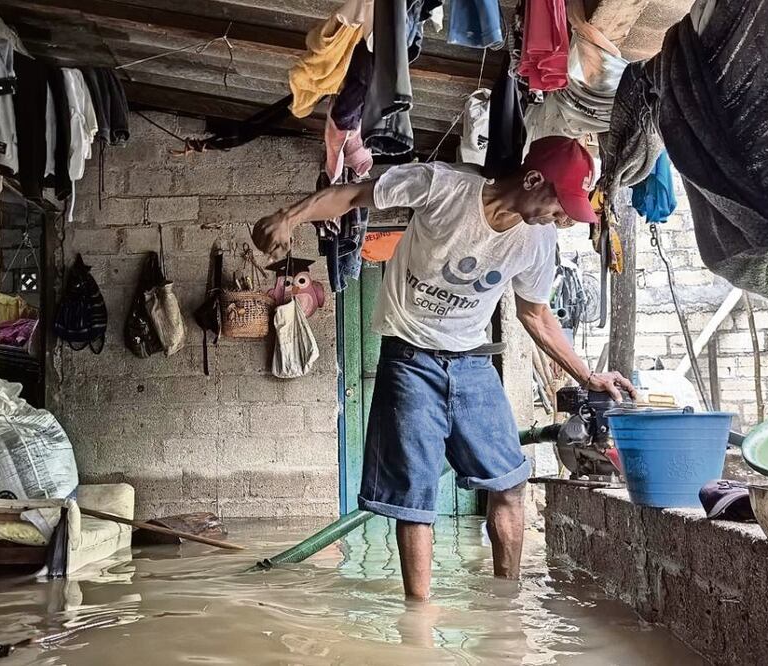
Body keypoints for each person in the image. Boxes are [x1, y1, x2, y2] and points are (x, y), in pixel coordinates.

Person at [252, 136, 637, 601]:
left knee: (510, 484)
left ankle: (505, 604)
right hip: (409, 360)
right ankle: (420, 619)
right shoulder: (443, 186)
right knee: (414, 503)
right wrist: (288, 216)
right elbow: (354, 194)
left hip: (474, 365)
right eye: (561, 204)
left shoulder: (539, 241)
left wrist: (586, 376)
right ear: (533, 179)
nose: (563, 219)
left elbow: (535, 314)